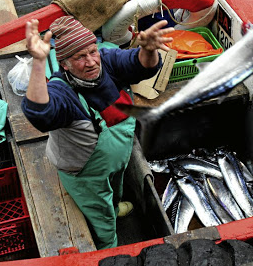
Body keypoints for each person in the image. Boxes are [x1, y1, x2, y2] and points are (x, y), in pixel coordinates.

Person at [21, 16, 174, 249]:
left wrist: (149, 50)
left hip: (114, 161)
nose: (91, 61)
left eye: (92, 51)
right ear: (65, 64)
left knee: (114, 189)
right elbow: (40, 114)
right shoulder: (62, 91)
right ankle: (107, 248)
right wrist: (39, 62)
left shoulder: (107, 60)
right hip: (84, 173)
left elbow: (141, 65)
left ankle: (114, 207)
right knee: (100, 215)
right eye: (79, 57)